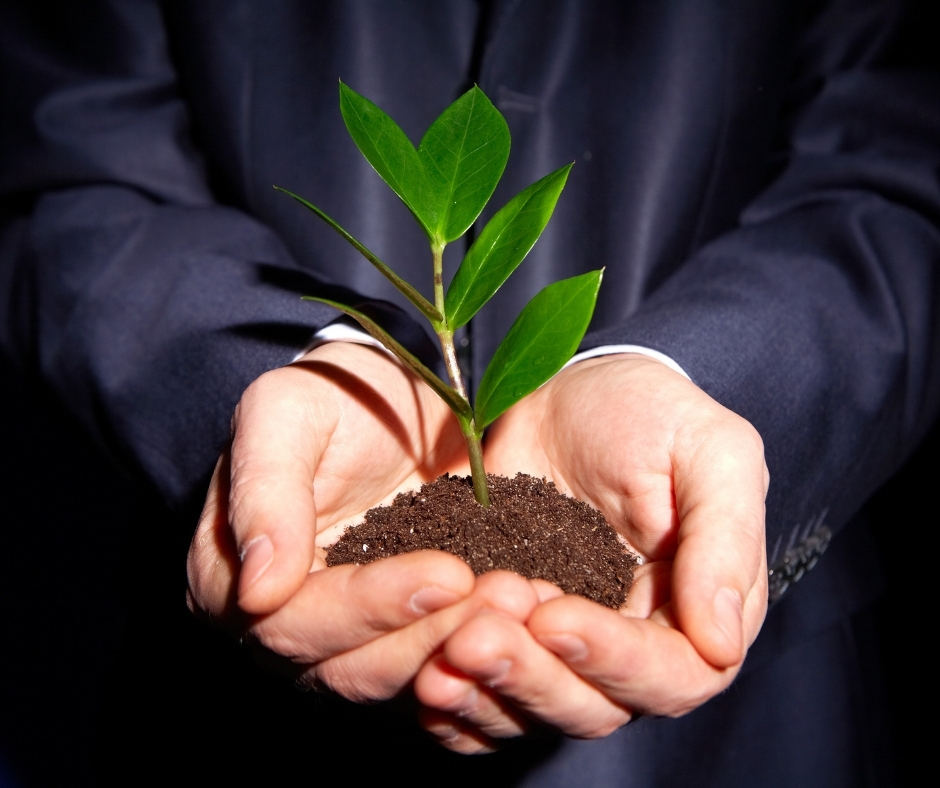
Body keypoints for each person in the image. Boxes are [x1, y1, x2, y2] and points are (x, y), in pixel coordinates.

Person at [1, 0, 937, 784]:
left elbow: (899, 176)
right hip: (234, 728)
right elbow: (65, 166)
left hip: (749, 736)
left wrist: (689, 379)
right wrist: (287, 372)